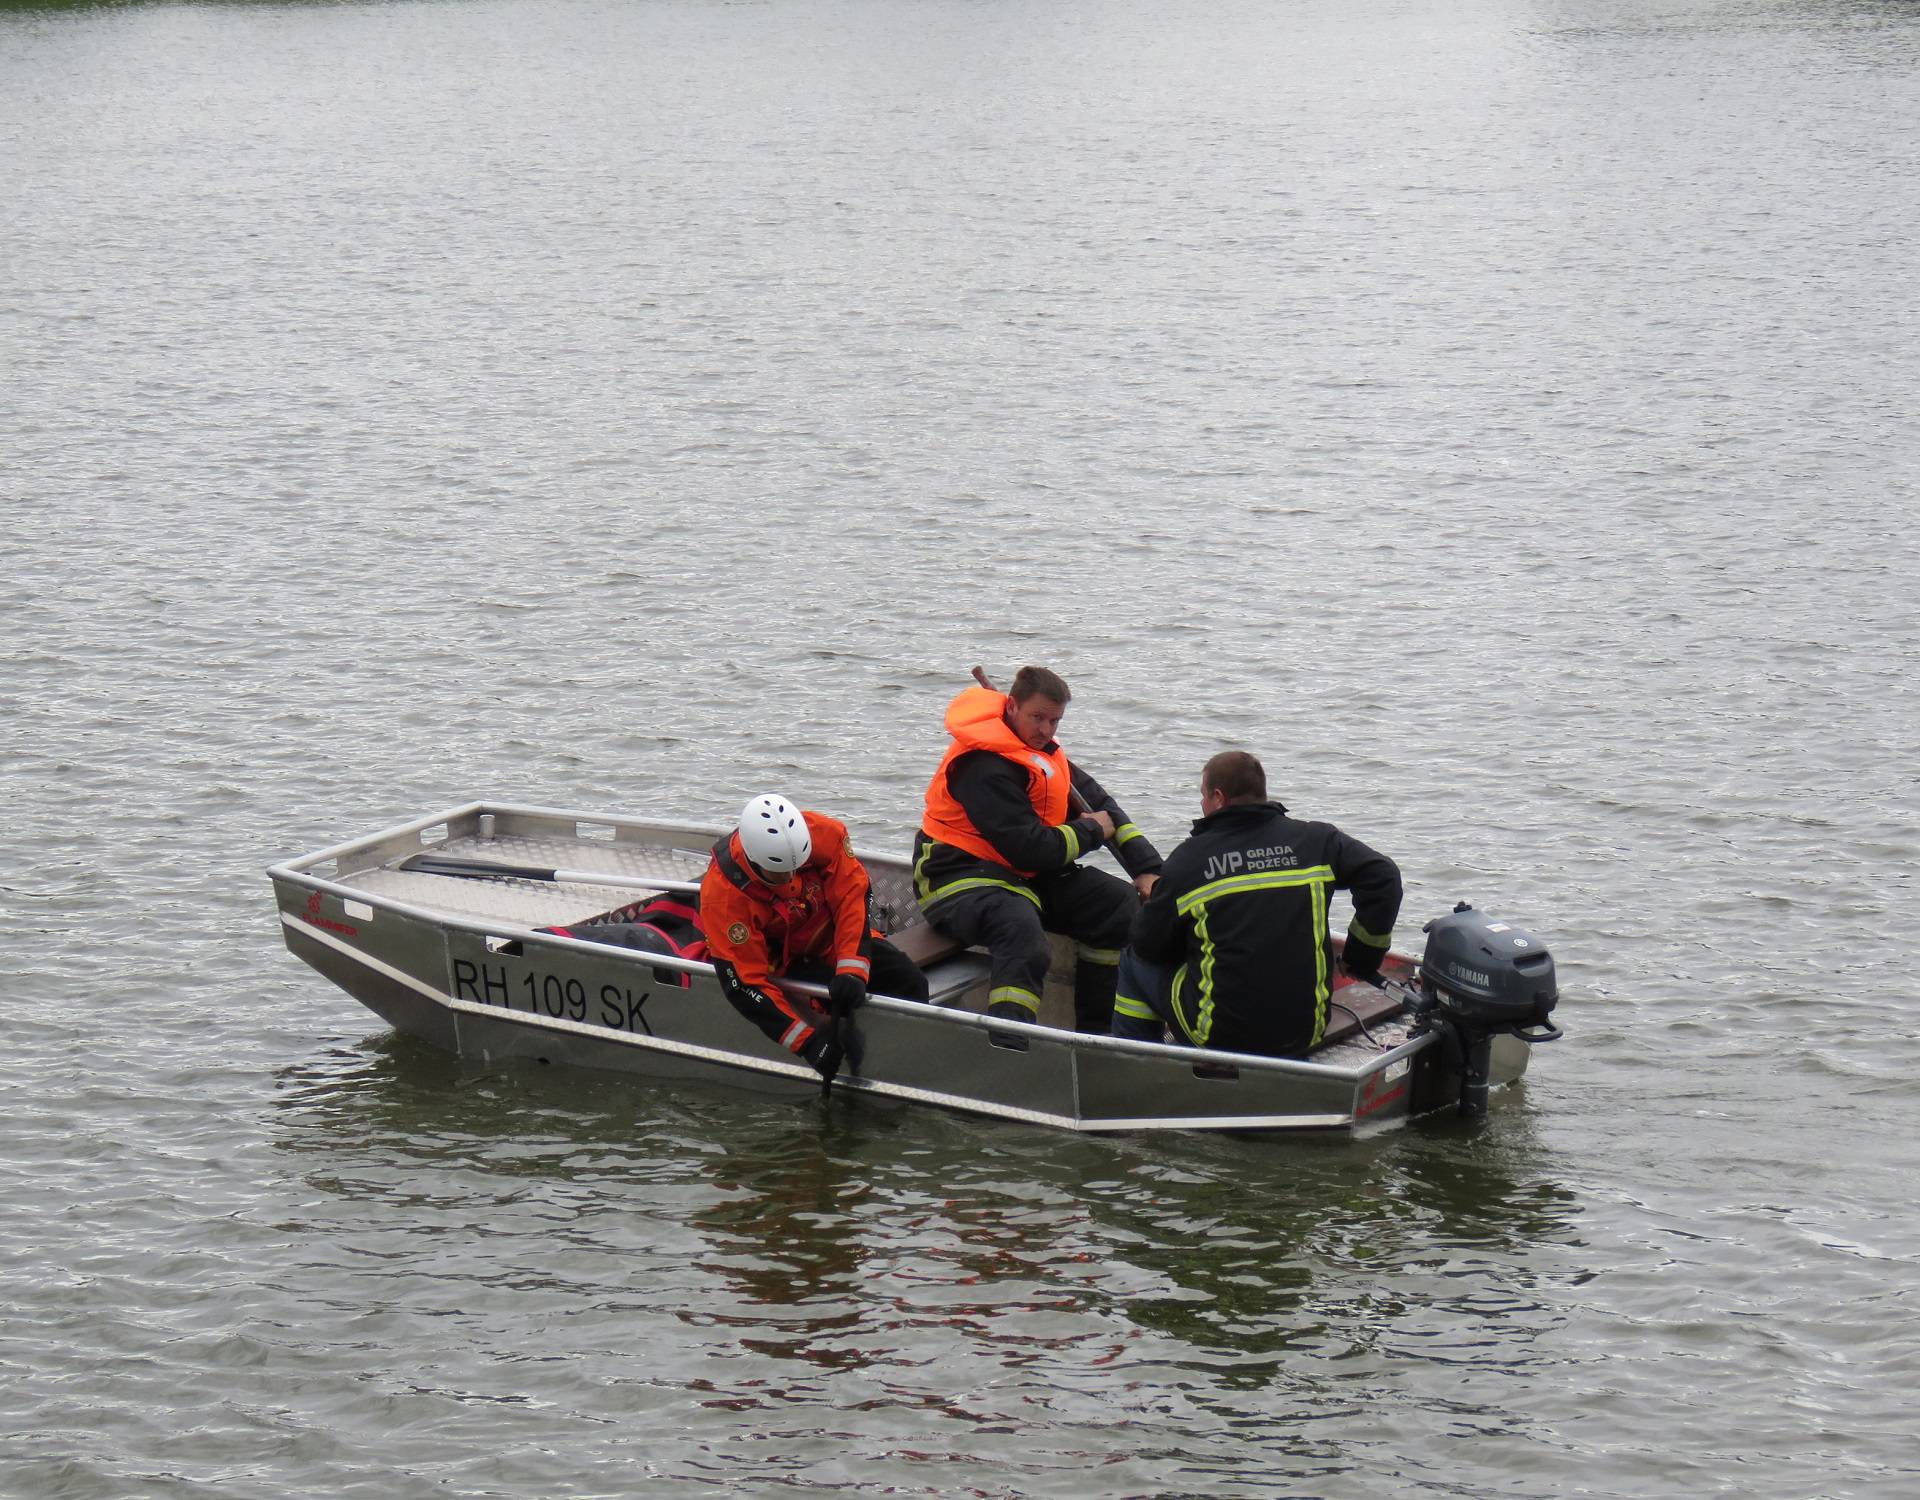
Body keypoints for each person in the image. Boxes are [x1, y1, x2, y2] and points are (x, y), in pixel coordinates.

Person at [913, 666, 1163, 1032]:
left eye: (1054, 721)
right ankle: (1009, 1041)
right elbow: (1029, 848)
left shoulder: (1042, 754)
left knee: (1119, 908)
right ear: (1012, 706)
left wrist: (1147, 867)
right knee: (1021, 932)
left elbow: (1101, 806)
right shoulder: (980, 765)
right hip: (956, 876)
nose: (1045, 730)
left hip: (1021, 878)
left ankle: (1099, 1037)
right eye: (1037, 717)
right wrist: (1091, 830)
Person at [1112, 750, 1402, 1059]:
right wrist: (1362, 958)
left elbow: (1148, 945)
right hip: (1305, 1029)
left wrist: (1160, 899)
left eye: (1203, 796)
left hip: (1220, 1036)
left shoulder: (1190, 860)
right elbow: (1383, 877)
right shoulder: (1317, 841)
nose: (1201, 804)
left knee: (1133, 960)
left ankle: (1135, 1065)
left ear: (1218, 798)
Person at [702, 794, 930, 1083]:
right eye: (779, 873)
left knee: (909, 981)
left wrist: (852, 970)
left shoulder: (826, 835)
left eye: (795, 868)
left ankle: (911, 1066)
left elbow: (852, 898)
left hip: (831, 939)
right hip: (783, 962)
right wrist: (807, 1045)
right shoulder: (724, 898)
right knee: (827, 1015)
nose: (790, 878)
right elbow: (743, 983)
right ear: (753, 858)